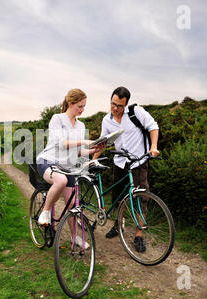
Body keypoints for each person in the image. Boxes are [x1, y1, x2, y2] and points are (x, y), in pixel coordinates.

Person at [93, 86, 160, 252]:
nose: (115, 108)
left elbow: (153, 127)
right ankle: (118, 226)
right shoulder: (106, 120)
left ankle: (139, 235)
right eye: (113, 104)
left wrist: (153, 146)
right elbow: (104, 142)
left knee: (140, 199)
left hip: (138, 163)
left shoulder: (136, 112)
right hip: (120, 163)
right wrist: (92, 160)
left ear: (126, 104)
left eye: (119, 106)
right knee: (119, 197)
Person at [36, 88, 104, 248]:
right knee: (60, 181)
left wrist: (94, 149)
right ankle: (45, 213)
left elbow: (77, 151)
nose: (82, 110)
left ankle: (75, 238)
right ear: (71, 103)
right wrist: (86, 141)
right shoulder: (57, 119)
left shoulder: (80, 125)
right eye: (80, 106)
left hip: (67, 166)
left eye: (84, 106)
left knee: (73, 205)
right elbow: (62, 144)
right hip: (48, 161)